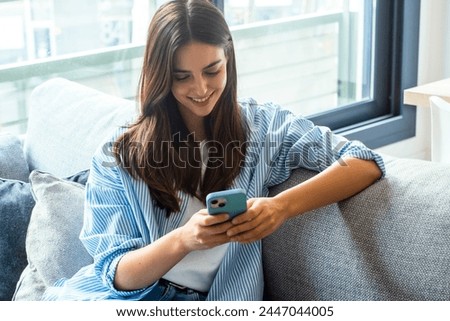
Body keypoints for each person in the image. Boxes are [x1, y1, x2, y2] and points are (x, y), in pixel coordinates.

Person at [43, 0, 384, 301]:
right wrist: (184, 239)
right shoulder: (117, 158)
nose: (201, 88)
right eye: (182, 77)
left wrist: (280, 207)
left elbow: (364, 162)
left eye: (212, 70)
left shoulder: (263, 126)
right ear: (160, 76)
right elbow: (116, 276)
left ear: (228, 60)